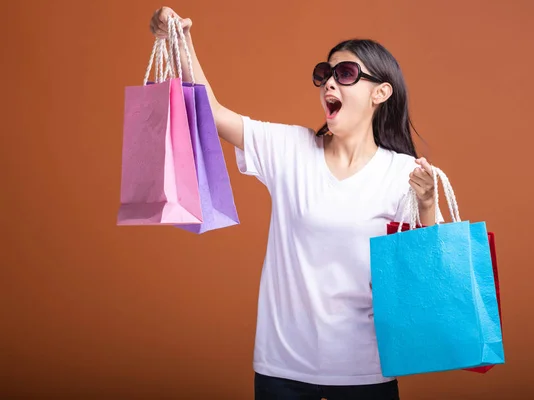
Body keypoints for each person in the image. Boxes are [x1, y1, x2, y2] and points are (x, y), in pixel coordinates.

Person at [150, 6, 437, 400]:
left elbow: (427, 275)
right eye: (325, 74)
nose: (329, 84)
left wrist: (426, 204)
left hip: (364, 372)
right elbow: (212, 113)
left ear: (380, 92)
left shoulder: (405, 173)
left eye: (346, 74)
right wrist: (178, 38)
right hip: (281, 369)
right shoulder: (291, 150)